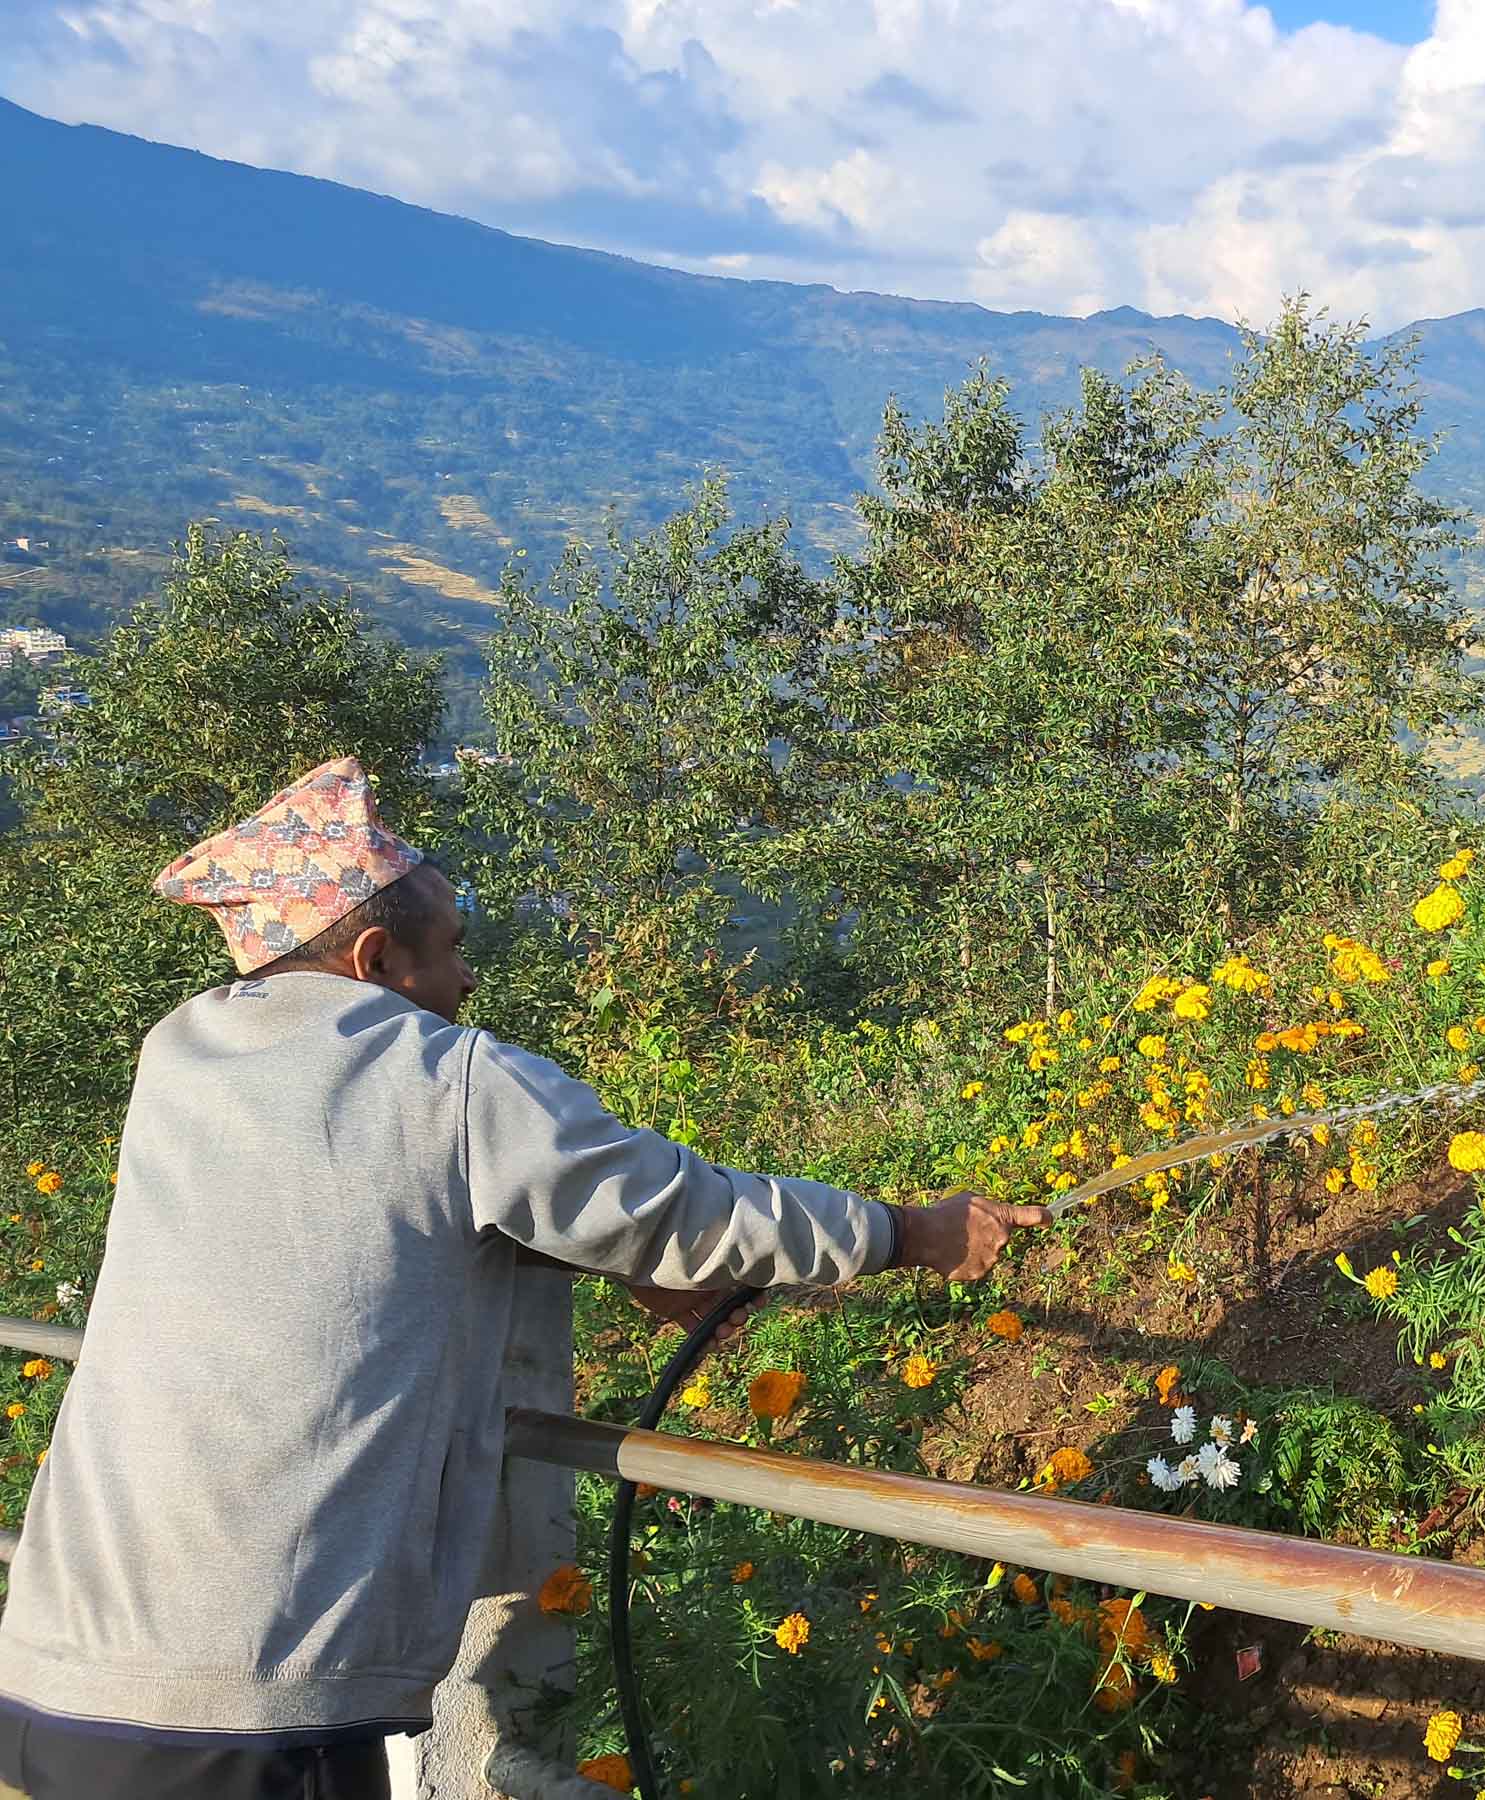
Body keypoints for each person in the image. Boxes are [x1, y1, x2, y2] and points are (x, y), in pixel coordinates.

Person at [0, 756, 1044, 1800]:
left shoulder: (180, 1058)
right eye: (451, 952)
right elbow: (682, 1210)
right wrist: (906, 1231)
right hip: (251, 1695)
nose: (466, 982)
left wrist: (565, 1248)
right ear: (375, 958)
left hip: (57, 1665)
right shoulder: (440, 1075)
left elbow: (336, 1207)